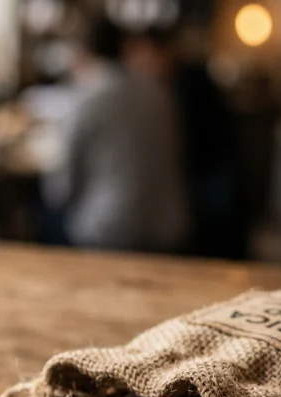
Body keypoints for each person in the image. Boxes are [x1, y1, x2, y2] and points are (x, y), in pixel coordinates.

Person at [44, 18, 188, 253]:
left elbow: (60, 190)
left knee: (46, 220)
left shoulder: (86, 102)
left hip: (109, 231)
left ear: (83, 52)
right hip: (168, 225)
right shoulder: (159, 94)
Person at [123, 28, 246, 259]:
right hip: (205, 169)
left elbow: (189, 139)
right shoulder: (180, 81)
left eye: (142, 55)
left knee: (214, 235)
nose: (138, 64)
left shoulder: (187, 83)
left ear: (164, 52)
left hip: (212, 169)